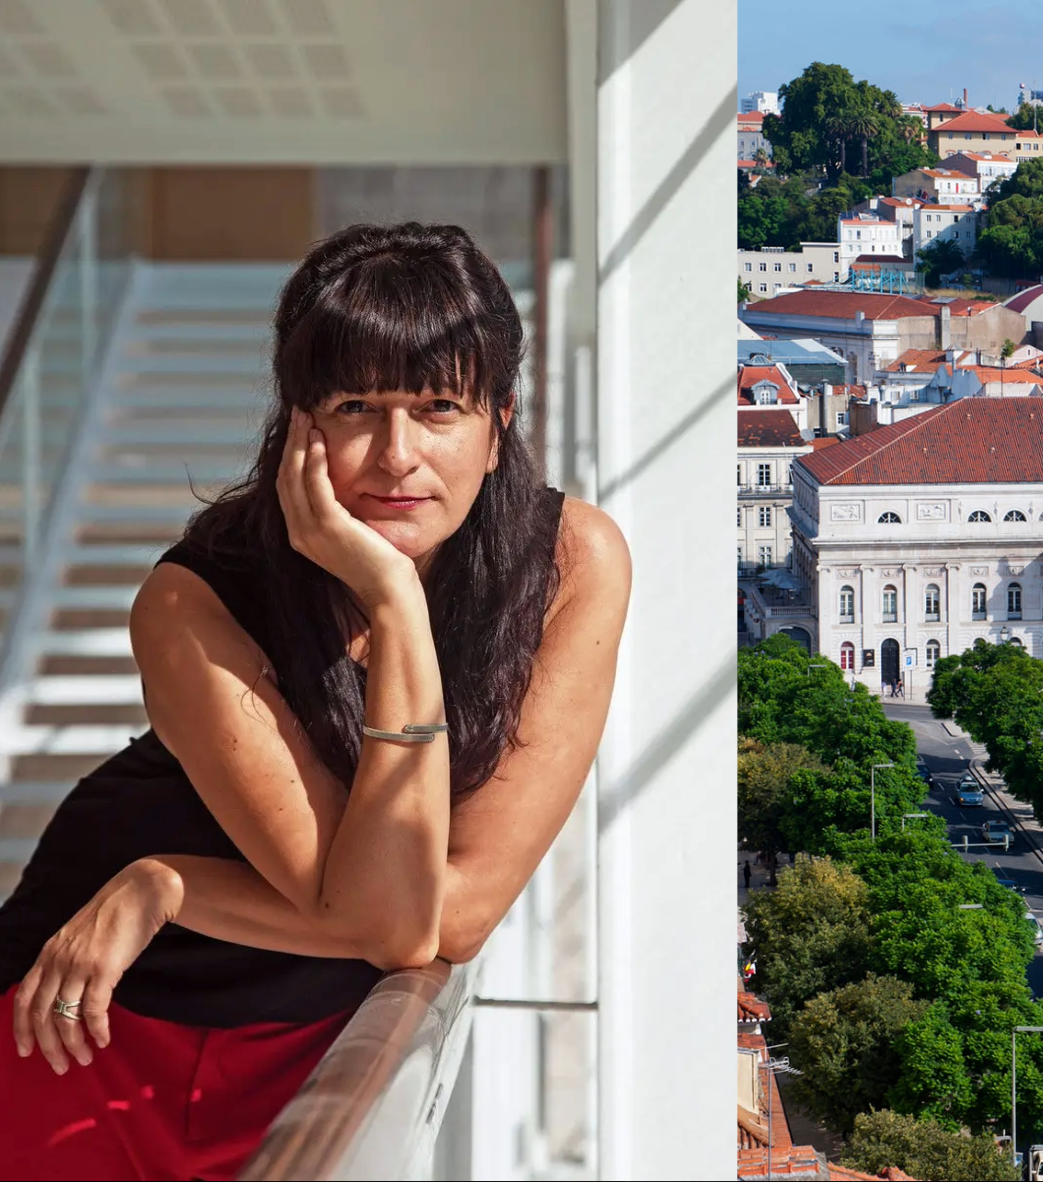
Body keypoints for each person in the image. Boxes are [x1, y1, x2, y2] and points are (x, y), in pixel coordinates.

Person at [0, 223, 632, 1179]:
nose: (396, 455)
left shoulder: (571, 562)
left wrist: (166, 884)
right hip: (87, 1029)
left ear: (501, 422)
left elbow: (447, 918)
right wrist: (391, 592)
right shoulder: (194, 597)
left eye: (438, 406)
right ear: (298, 423)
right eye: (354, 406)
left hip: (312, 1051)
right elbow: (388, 921)